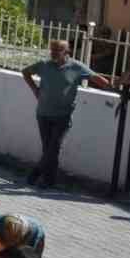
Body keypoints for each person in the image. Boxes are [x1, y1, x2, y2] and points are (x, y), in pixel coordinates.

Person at [21, 39, 109, 188]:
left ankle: (35, 173)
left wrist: (111, 83)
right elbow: (25, 72)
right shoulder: (44, 65)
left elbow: (99, 80)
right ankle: (49, 181)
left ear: (66, 52)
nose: (53, 53)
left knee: (54, 146)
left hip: (63, 115)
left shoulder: (76, 67)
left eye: (57, 50)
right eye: (52, 50)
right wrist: (35, 90)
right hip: (43, 113)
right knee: (49, 148)